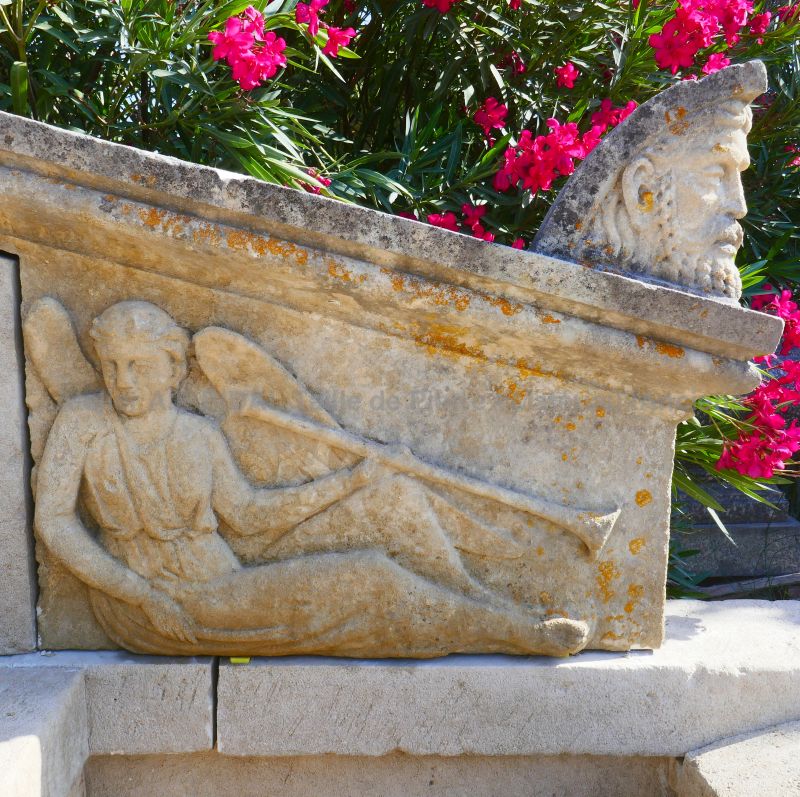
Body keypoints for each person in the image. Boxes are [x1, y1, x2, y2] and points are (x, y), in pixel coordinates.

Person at [34, 301, 589, 657]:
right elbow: (54, 522)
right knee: (371, 578)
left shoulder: (198, 435)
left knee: (393, 496)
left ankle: (483, 605)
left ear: (174, 369)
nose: (121, 381)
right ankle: (509, 633)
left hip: (221, 578)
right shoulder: (85, 421)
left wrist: (354, 481)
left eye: (138, 365)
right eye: (111, 366)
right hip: (163, 605)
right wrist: (142, 595)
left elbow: (250, 516)